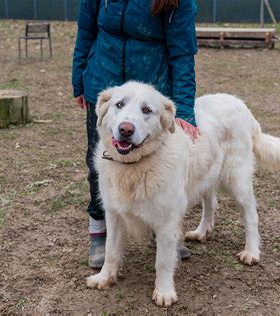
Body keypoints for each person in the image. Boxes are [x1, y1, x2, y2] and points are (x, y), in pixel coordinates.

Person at [72, 0, 198, 268]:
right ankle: (98, 228)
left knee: (155, 167)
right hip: (105, 84)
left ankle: (160, 228)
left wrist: (185, 109)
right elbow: (85, 32)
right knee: (100, 165)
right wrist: (78, 79)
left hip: (150, 96)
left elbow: (183, 53)